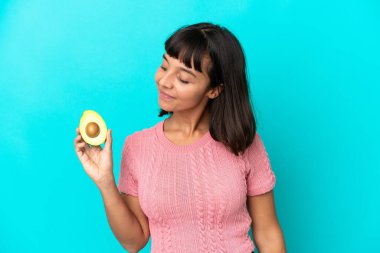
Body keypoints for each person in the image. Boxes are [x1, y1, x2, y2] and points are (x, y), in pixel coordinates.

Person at [74, 22, 286, 253]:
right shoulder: (137, 146)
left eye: (184, 79)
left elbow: (268, 234)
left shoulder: (243, 141)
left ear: (214, 90)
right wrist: (105, 182)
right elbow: (134, 241)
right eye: (164, 67)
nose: (164, 81)